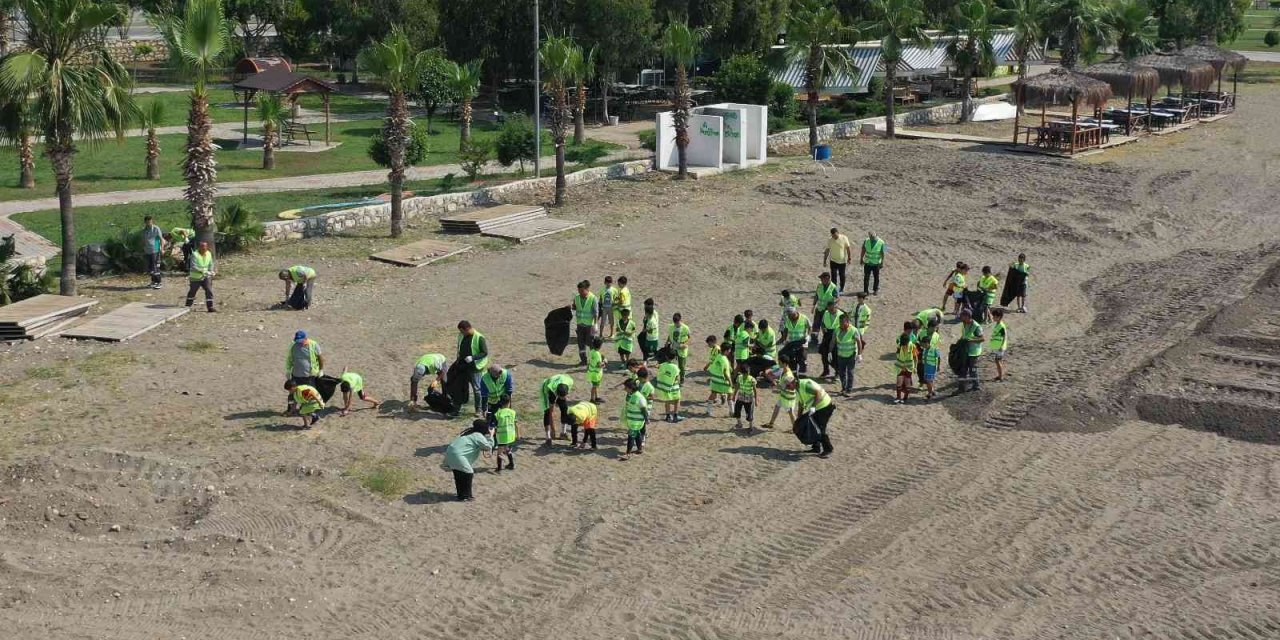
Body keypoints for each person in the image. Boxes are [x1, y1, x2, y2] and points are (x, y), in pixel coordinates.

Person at [443, 420, 494, 501]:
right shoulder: (478, 435)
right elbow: (488, 447)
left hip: (450, 454)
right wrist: (490, 436)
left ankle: (461, 495)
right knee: (468, 472)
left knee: (458, 474)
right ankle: (466, 496)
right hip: (458, 456)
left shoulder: (467, 433)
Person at [793, 377, 834, 458]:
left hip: (824, 407)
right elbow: (801, 403)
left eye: (788, 385)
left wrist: (813, 407)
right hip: (816, 409)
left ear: (793, 382)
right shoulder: (796, 388)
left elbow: (818, 393)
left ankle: (828, 449)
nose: (788, 388)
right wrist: (799, 417)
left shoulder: (805, 385)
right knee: (813, 427)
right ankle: (816, 447)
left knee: (820, 429)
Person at [456, 320, 490, 416]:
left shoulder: (479, 338)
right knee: (461, 385)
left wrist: (473, 358)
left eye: (462, 331)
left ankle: (479, 409)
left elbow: (484, 352)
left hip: (475, 367)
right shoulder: (461, 335)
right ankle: (458, 406)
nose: (461, 333)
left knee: (476, 388)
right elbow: (459, 347)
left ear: (467, 329)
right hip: (463, 365)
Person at [285, 330, 323, 414]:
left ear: (305, 338)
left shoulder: (313, 344)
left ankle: (309, 410)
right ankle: (291, 409)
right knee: (292, 394)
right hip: (296, 374)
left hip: (309, 375)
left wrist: (321, 370)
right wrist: (288, 370)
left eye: (300, 339)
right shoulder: (293, 345)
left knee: (309, 393)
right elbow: (289, 359)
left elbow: (320, 358)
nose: (298, 341)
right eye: (297, 340)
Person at [539, 373, 574, 446]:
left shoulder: (569, 382)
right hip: (546, 388)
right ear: (557, 394)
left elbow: (563, 397)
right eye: (560, 397)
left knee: (564, 408)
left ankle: (563, 433)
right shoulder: (551, 391)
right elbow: (551, 412)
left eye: (563, 397)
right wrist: (553, 429)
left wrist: (561, 400)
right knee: (547, 412)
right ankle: (548, 437)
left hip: (560, 383)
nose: (562, 398)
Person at [619, 378, 648, 461]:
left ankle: (627, 454)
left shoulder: (639, 397)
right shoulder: (630, 394)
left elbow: (643, 409)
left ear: (630, 388)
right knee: (637, 434)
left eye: (626, 388)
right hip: (631, 420)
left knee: (631, 436)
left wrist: (646, 419)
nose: (624, 389)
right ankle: (639, 449)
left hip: (637, 421)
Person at [762, 359, 797, 429]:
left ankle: (796, 428)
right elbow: (784, 384)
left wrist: (777, 387)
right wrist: (778, 382)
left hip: (788, 397)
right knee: (777, 406)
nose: (779, 364)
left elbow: (790, 388)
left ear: (785, 364)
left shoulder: (788, 375)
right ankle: (771, 423)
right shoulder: (784, 370)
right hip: (784, 395)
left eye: (780, 363)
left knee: (790, 412)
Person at [956, 309, 984, 394]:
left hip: (973, 352)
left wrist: (970, 340)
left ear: (968, 316)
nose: (961, 318)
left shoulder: (976, 326)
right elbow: (964, 334)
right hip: (966, 350)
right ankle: (962, 388)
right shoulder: (964, 324)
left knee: (972, 369)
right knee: (963, 369)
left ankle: (976, 386)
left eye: (962, 316)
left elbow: (982, 339)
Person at [833, 312, 861, 395]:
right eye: (840, 322)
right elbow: (833, 341)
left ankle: (849, 389)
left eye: (843, 322)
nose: (841, 324)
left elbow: (859, 342)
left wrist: (859, 354)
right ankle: (843, 388)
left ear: (847, 322)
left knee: (850, 372)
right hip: (840, 355)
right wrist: (830, 352)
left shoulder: (853, 330)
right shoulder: (837, 330)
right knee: (841, 373)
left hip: (851, 355)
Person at [184, 241, 216, 312]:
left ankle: (210, 307)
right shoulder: (195, 255)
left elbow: (211, 263)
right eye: (202, 247)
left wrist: (211, 271)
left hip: (206, 277)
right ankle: (188, 306)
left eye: (205, 247)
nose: (204, 248)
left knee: (209, 290)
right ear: (199, 247)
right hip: (196, 277)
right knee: (193, 291)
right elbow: (193, 266)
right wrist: (204, 271)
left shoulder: (208, 253)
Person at [572, 280, 599, 366]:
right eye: (579, 291)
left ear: (587, 289)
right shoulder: (576, 298)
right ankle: (583, 360)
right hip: (580, 325)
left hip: (589, 326)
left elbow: (596, 312)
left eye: (582, 291)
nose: (580, 293)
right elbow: (574, 307)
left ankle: (593, 360)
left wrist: (595, 324)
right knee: (581, 344)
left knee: (591, 344)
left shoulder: (593, 298)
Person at [704, 341, 733, 416]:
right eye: (729, 350)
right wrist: (730, 382)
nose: (730, 351)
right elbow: (725, 373)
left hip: (714, 379)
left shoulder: (718, 356)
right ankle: (732, 412)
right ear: (726, 351)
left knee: (713, 394)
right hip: (722, 381)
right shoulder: (724, 359)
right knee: (730, 394)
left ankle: (708, 411)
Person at [654, 350, 683, 423]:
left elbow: (658, 368)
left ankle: (668, 416)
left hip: (665, 387)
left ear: (666, 357)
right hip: (674, 387)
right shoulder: (675, 367)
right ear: (675, 357)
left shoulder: (662, 365)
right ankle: (675, 416)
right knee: (677, 400)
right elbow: (677, 377)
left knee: (667, 401)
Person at [811, 272, 840, 345]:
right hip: (819, 309)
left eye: (822, 279)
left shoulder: (833, 287)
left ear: (827, 279)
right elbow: (816, 295)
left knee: (826, 325)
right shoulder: (819, 285)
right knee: (816, 325)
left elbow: (837, 298)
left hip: (827, 311)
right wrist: (813, 305)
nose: (821, 280)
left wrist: (832, 304)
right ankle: (814, 340)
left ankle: (827, 340)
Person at [818, 300, 844, 379]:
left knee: (835, 356)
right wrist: (823, 328)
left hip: (836, 336)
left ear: (835, 307)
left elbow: (845, 327)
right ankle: (826, 371)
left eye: (831, 309)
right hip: (827, 335)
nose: (829, 311)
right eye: (828, 309)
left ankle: (837, 372)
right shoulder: (826, 313)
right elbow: (822, 323)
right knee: (824, 355)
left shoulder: (841, 315)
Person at [782, 308, 812, 375]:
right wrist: (784, 340)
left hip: (802, 342)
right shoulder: (788, 319)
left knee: (802, 359)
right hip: (791, 342)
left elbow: (810, 327)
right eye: (789, 316)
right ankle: (793, 374)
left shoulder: (804, 318)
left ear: (795, 313)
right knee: (792, 359)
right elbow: (786, 330)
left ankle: (802, 374)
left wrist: (808, 336)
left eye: (791, 316)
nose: (790, 318)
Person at [823, 227, 852, 292]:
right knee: (833, 276)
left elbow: (848, 249)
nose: (834, 237)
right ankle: (834, 288)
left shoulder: (844, 238)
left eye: (835, 235)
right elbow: (827, 250)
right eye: (833, 236)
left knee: (842, 275)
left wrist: (849, 258)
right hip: (833, 260)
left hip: (842, 261)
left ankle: (842, 287)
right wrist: (824, 260)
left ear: (838, 233)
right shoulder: (830, 240)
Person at [141, 215, 166, 289]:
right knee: (150, 268)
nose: (149, 223)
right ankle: (153, 281)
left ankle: (159, 282)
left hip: (155, 250)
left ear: (152, 221)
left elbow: (161, 239)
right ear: (145, 222)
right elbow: (143, 241)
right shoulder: (144, 230)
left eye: (150, 222)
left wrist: (162, 249)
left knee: (155, 267)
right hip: (147, 251)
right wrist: (142, 249)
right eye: (147, 222)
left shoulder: (156, 228)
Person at [492, 400, 518, 472]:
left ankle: (499, 468)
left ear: (501, 403)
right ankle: (511, 464)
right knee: (507, 449)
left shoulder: (498, 413)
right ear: (509, 403)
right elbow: (516, 424)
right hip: (510, 435)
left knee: (499, 452)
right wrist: (518, 434)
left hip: (501, 435)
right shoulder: (513, 412)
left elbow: (494, 425)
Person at [732, 362, 758, 431]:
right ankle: (739, 423)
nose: (746, 375)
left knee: (749, 413)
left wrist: (756, 400)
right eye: (745, 374)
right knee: (737, 411)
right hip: (740, 398)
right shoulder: (739, 378)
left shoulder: (752, 380)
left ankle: (751, 427)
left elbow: (755, 390)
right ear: (742, 373)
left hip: (749, 399)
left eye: (747, 373)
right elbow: (737, 387)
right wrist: (734, 395)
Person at [893, 333, 918, 405]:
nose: (904, 346)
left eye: (905, 344)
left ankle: (905, 398)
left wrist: (915, 367)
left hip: (909, 367)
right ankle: (898, 398)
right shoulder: (899, 345)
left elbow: (915, 357)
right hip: (900, 366)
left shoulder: (912, 346)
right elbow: (897, 355)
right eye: (903, 344)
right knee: (899, 382)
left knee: (907, 383)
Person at [666, 312, 691, 382]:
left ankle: (682, 378)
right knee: (671, 364)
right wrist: (667, 342)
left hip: (682, 349)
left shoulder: (685, 328)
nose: (676, 325)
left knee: (681, 366)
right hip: (673, 347)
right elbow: (670, 335)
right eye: (675, 323)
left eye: (677, 323)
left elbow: (689, 337)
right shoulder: (671, 326)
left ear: (680, 320)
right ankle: (673, 378)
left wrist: (684, 344)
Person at [860, 232, 886, 296]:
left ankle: (875, 289)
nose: (872, 239)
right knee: (866, 277)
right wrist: (861, 259)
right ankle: (865, 291)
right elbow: (863, 250)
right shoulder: (866, 241)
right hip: (867, 262)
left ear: (876, 236)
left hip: (876, 263)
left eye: (873, 237)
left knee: (876, 277)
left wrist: (882, 262)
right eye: (871, 237)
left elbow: (882, 253)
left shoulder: (881, 242)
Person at [921, 325, 942, 400]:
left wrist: (938, 366)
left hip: (931, 367)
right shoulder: (924, 350)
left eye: (923, 344)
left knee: (928, 380)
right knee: (929, 380)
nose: (922, 345)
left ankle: (930, 393)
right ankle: (932, 391)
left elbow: (939, 357)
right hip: (926, 366)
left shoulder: (934, 349)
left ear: (927, 343)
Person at [989, 307, 1009, 382]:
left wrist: (1001, 346)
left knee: (998, 361)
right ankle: (1000, 375)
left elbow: (1004, 337)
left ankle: (1000, 376)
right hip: (998, 346)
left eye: (994, 316)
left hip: (1000, 347)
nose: (993, 318)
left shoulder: (1001, 326)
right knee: (997, 361)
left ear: (999, 317)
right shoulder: (998, 324)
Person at [851, 292, 872, 358]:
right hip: (854, 325)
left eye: (860, 298)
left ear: (863, 299)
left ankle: (859, 353)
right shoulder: (856, 305)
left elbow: (868, 320)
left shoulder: (866, 309)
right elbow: (852, 313)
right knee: (855, 339)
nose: (859, 299)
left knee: (859, 339)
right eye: (858, 298)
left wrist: (864, 328)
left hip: (860, 327)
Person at [640, 298, 660, 365]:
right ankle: (646, 358)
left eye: (645, 305)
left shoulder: (653, 314)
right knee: (645, 346)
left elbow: (652, 326)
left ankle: (648, 358)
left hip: (651, 335)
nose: (644, 307)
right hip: (648, 332)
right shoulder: (649, 312)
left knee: (651, 348)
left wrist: (645, 329)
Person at [586, 337, 606, 404]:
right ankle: (592, 399)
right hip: (596, 374)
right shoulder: (597, 354)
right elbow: (599, 365)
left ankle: (596, 397)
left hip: (591, 372)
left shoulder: (592, 351)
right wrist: (605, 362)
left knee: (595, 386)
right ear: (600, 346)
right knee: (594, 387)